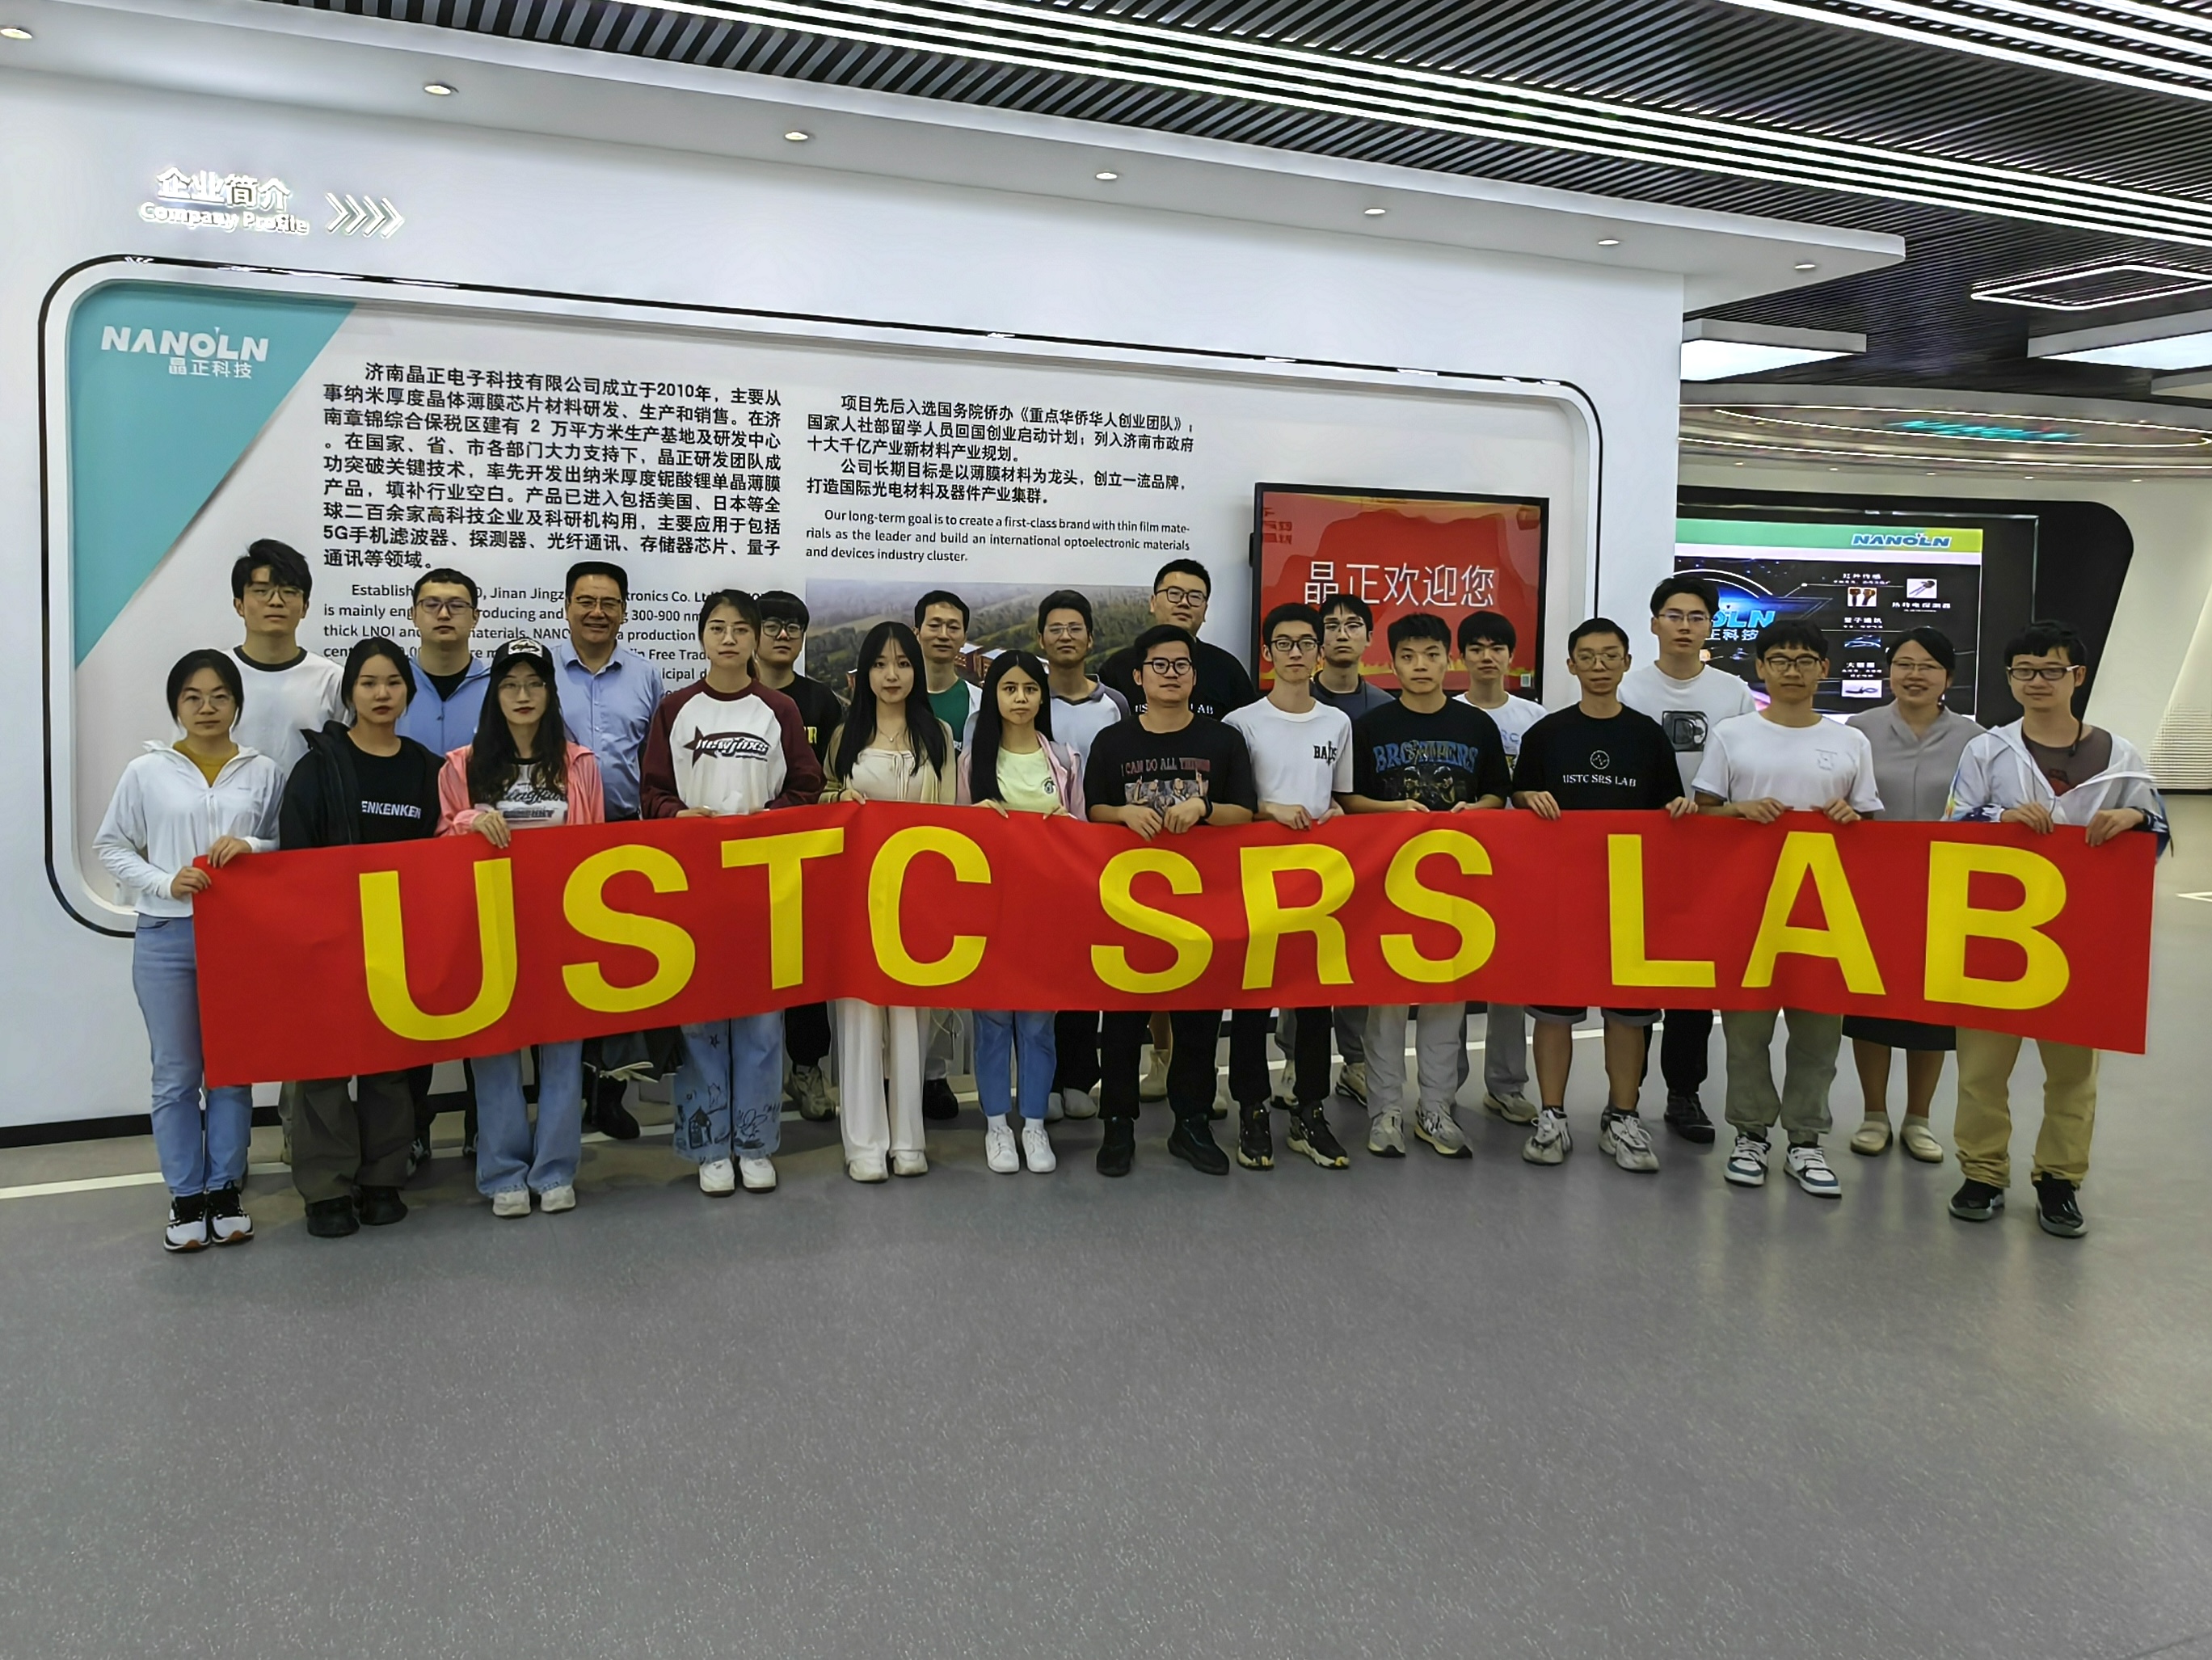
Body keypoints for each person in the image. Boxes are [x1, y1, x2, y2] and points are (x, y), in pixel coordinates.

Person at [1944, 620, 2167, 1240]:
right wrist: (1999, 816)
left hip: (2080, 937)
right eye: (2023, 671)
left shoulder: (2119, 756)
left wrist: (2132, 818)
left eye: (2050, 670)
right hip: (1996, 932)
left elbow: (2156, 831)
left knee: (2073, 1071)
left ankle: (2059, 1180)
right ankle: (1982, 1172)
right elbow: (1951, 824)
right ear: (2009, 678)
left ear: (2077, 676)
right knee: (1981, 1067)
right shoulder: (1987, 750)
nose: (2035, 682)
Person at [95, 650, 284, 1253]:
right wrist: (163, 881)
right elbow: (111, 845)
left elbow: (286, 842)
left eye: (220, 696)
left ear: (237, 704)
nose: (207, 708)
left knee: (230, 1070)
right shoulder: (146, 771)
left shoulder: (263, 771)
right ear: (176, 705)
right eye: (193, 697)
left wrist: (252, 844)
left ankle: (225, 1190)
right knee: (176, 1075)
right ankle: (185, 1196)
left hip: (237, 939)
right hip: (166, 936)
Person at [639, 591, 822, 1196]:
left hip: (763, 885)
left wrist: (768, 819)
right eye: (716, 628)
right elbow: (652, 792)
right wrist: (677, 815)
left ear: (755, 640)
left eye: (740, 629)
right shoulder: (674, 709)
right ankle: (708, 1144)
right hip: (693, 887)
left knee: (762, 1023)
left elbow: (807, 784)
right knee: (700, 1022)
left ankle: (754, 1142)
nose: (728, 639)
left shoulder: (779, 710)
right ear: (700, 636)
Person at [1693, 621, 1881, 1200]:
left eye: (1804, 660)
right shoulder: (1732, 734)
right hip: (1748, 908)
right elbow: (1703, 815)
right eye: (1779, 659)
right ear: (1761, 668)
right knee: (1745, 1031)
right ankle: (1750, 1133)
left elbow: (1870, 824)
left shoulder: (1850, 742)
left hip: (1824, 913)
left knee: (1817, 1036)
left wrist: (1852, 819)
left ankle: (1805, 1139)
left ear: (1823, 669)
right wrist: (1739, 810)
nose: (1791, 670)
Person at [1510, 618, 1695, 1173]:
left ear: (1625, 662)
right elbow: (1519, 795)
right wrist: (1527, 798)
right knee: (1554, 1010)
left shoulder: (1646, 736)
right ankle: (1552, 1115)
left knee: (1628, 1013)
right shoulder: (1547, 734)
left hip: (1628, 896)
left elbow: (1669, 805)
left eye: (1610, 656)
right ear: (1570, 665)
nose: (1598, 666)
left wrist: (1679, 809)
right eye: (1587, 656)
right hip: (1561, 894)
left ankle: (1622, 1117)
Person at [279, 637, 445, 1238]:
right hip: (327, 942)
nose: (381, 694)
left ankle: (382, 1178)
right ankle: (326, 1189)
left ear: (408, 692)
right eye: (369, 683)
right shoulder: (318, 767)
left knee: (390, 1066)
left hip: (398, 943)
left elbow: (442, 857)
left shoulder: (429, 770)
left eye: (393, 682)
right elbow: (295, 861)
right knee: (323, 1068)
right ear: (350, 691)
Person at [437, 640, 605, 1218]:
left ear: (550, 693)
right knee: (494, 1050)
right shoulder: (461, 765)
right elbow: (437, 843)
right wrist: (469, 820)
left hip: (561, 928)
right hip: (489, 929)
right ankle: (503, 1171)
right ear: (495, 694)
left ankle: (555, 1168)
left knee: (562, 1051)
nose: (523, 695)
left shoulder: (579, 764)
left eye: (534, 683)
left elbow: (595, 847)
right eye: (510, 684)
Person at [1086, 623, 1258, 1177]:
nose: (1170, 674)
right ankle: (1118, 1124)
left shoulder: (1222, 740)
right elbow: (1092, 810)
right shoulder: (1113, 741)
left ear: (1194, 675)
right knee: (1121, 1022)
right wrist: (1122, 812)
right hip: (1129, 905)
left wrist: (1203, 808)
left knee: (1198, 1020)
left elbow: (1244, 811)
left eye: (1180, 665)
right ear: (1138, 677)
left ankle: (1191, 1124)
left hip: (1202, 906)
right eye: (1158, 665)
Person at [1338, 613, 1510, 1160]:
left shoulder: (1476, 726)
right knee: (1386, 999)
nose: (1420, 666)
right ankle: (1385, 1109)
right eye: (1408, 657)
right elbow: (1349, 799)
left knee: (1447, 997)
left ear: (1448, 660)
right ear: (1391, 663)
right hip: (1387, 881)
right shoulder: (1370, 727)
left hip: (1455, 882)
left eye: (1431, 655)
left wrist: (1474, 809)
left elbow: (1496, 794)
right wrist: (1393, 810)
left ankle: (1436, 1107)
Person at [1621, 575, 1759, 1146]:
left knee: (1693, 982)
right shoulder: (1629, 688)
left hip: (1710, 854)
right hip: (1641, 851)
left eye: (1696, 616)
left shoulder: (1733, 693)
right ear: (1654, 623)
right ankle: (1624, 1098)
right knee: (1633, 979)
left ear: (1710, 626)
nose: (1684, 626)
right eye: (1674, 615)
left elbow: (1747, 767)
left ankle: (1684, 1091)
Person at [823, 621, 959, 1182]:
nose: (891, 675)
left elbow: (951, 817)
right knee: (859, 1016)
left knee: (910, 1018)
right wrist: (839, 796)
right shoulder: (844, 736)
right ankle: (863, 1143)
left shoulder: (938, 735)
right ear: (865, 673)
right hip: (856, 899)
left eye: (902, 663)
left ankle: (907, 1140)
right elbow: (821, 805)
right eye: (880, 664)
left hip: (916, 897)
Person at [1224, 603, 1355, 1172]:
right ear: (1267, 652)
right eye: (1284, 643)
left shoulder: (1337, 723)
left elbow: (1339, 798)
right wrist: (1269, 810)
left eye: (1306, 643)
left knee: (1314, 1002)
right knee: (1252, 1002)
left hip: (1317, 881)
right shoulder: (1242, 722)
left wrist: (1340, 818)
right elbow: (1232, 804)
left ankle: (1308, 1110)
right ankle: (1252, 1109)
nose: (1295, 653)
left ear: (1319, 653)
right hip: (1254, 877)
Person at [1843, 629, 1980, 1164]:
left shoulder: (1974, 738)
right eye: (1903, 663)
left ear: (1948, 677)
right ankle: (1874, 1114)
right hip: (1873, 891)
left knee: (1932, 1008)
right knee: (1871, 1004)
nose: (1914, 675)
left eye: (1927, 666)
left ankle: (1918, 1118)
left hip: (1945, 892)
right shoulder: (1860, 730)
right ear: (1889, 671)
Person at [958, 650, 1081, 1175]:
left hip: (1045, 916)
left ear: (1041, 696)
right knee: (991, 1025)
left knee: (1036, 1024)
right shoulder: (971, 763)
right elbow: (953, 841)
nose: (1021, 699)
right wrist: (975, 819)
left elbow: (1084, 840)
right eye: (1009, 689)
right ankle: (996, 1126)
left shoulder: (1065, 759)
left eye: (1030, 689)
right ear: (994, 697)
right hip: (991, 915)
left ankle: (1032, 1124)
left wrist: (1068, 826)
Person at [555, 560, 667, 1141]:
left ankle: (609, 1094)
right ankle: (564, 1093)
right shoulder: (540, 672)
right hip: (555, 841)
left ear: (623, 611)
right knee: (562, 970)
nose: (597, 612)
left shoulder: (647, 676)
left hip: (625, 835)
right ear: (567, 606)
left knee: (619, 970)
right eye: (586, 601)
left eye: (609, 603)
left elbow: (656, 761)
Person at [396, 566, 491, 1170]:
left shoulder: (498, 685)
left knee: (488, 996)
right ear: (414, 615)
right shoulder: (390, 681)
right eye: (431, 603)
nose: (444, 614)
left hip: (481, 866)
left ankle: (486, 1125)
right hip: (410, 866)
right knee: (415, 999)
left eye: (457, 604)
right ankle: (411, 1128)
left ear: (475, 616)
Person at [1036, 589, 1131, 1124]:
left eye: (1075, 628)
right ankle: (1045, 1079)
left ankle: (1078, 1076)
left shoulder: (1114, 704)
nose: (1065, 636)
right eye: (1056, 628)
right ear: (1041, 638)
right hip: (1040, 858)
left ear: (1090, 638)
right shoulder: (1027, 696)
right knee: (1044, 966)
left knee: (1087, 966)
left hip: (1100, 855)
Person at [1302, 592, 1397, 1110]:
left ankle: (1355, 1062)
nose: (1342, 633)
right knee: (1299, 959)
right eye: (1332, 625)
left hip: (1367, 858)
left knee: (1357, 956)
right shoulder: (1294, 699)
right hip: (1302, 858)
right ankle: (1294, 1061)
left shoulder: (1385, 708)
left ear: (1368, 637)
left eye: (1353, 625)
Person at [755, 589, 846, 1124]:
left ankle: (806, 1068)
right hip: (742, 856)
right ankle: (753, 1081)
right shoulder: (728, 695)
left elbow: (837, 774)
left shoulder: (821, 702)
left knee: (806, 969)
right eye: (772, 625)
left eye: (793, 627)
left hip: (807, 855)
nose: (783, 635)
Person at [1456, 609, 1549, 1131]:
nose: (1487, 657)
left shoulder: (1534, 718)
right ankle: (1443, 1087)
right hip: (1457, 865)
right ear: (1462, 657)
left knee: (1510, 979)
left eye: (1496, 648)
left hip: (1518, 865)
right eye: (1476, 648)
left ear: (1512, 657)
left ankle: (1506, 1086)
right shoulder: (1448, 713)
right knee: (1450, 977)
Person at [914, 589, 983, 1119]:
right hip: (903, 850)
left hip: (965, 853)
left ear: (963, 636)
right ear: (917, 630)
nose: (943, 633)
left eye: (952, 626)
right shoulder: (897, 694)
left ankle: (934, 1074)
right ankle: (894, 1072)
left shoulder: (979, 703)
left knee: (945, 964)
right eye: (933, 624)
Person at [225, 538, 343, 778]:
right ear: (239, 605)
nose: (276, 601)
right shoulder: (216, 676)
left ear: (305, 607)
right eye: (261, 591)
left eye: (289, 592)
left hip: (309, 803)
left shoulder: (331, 680)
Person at [1098, 559, 1258, 720]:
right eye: (1174, 594)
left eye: (1195, 597)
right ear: (1153, 603)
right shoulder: (1118, 667)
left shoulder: (1227, 670)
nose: (1184, 603)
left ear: (1205, 610)